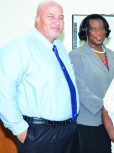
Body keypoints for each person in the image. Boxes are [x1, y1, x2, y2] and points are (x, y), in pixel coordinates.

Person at [0, 1, 79, 153]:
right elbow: (3, 89)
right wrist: (20, 130)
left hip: (69, 132)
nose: (57, 21)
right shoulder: (20, 46)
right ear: (37, 19)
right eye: (51, 16)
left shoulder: (59, 47)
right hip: (39, 135)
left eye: (61, 17)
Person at [69, 14, 114, 153]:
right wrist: (106, 107)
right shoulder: (76, 55)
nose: (98, 33)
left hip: (113, 122)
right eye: (93, 29)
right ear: (86, 32)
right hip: (89, 122)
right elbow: (79, 89)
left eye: (101, 28)